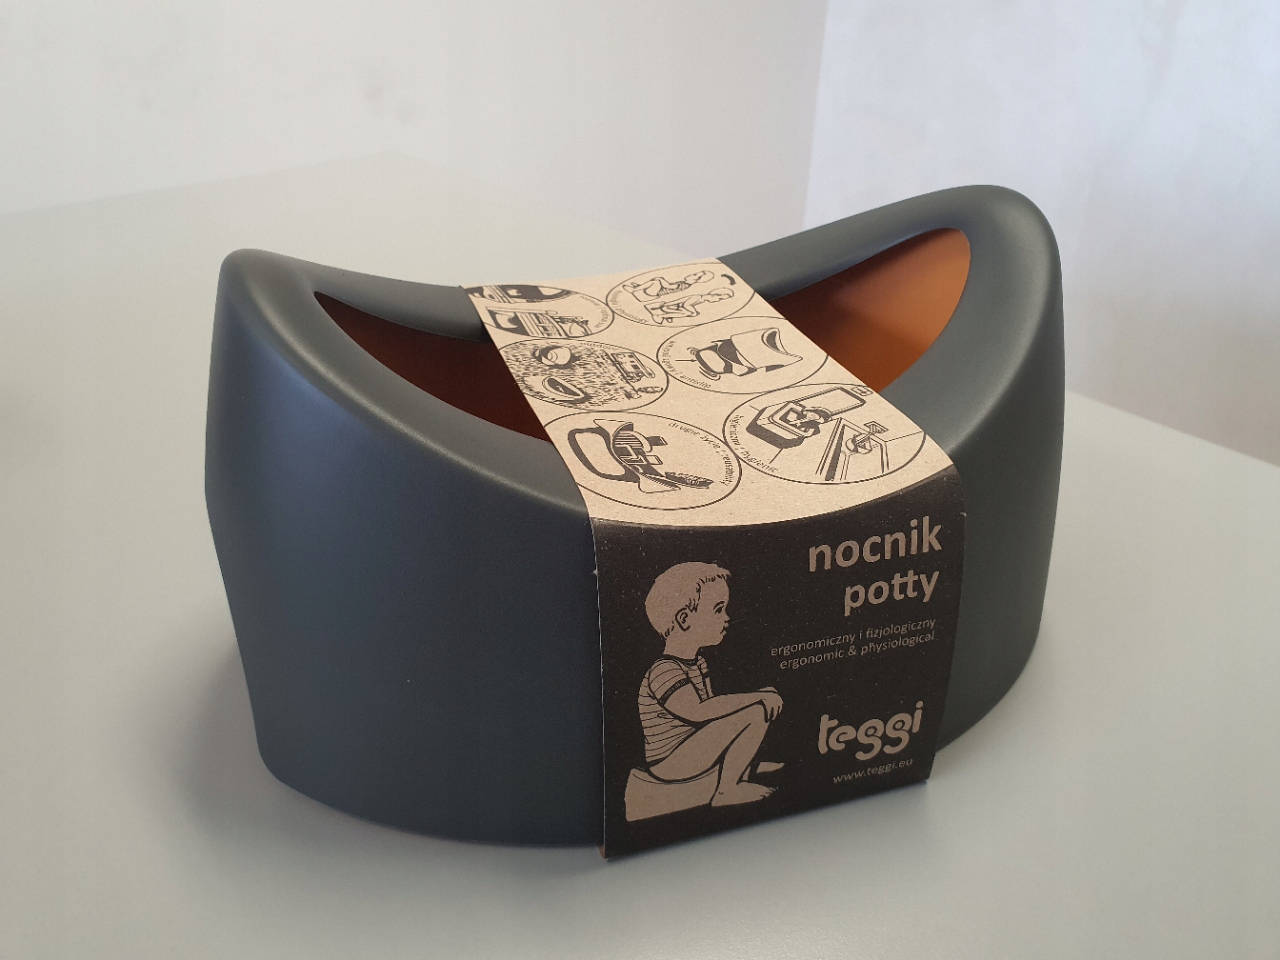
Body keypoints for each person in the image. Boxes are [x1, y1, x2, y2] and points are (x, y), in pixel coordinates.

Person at [637, 562, 783, 807]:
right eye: (718, 610)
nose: (727, 618)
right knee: (755, 712)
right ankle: (727, 790)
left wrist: (755, 697)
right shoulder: (664, 670)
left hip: (692, 748)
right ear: (684, 619)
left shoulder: (698, 663)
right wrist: (755, 698)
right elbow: (698, 711)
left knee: (750, 709)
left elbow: (713, 713)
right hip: (668, 761)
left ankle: (745, 766)